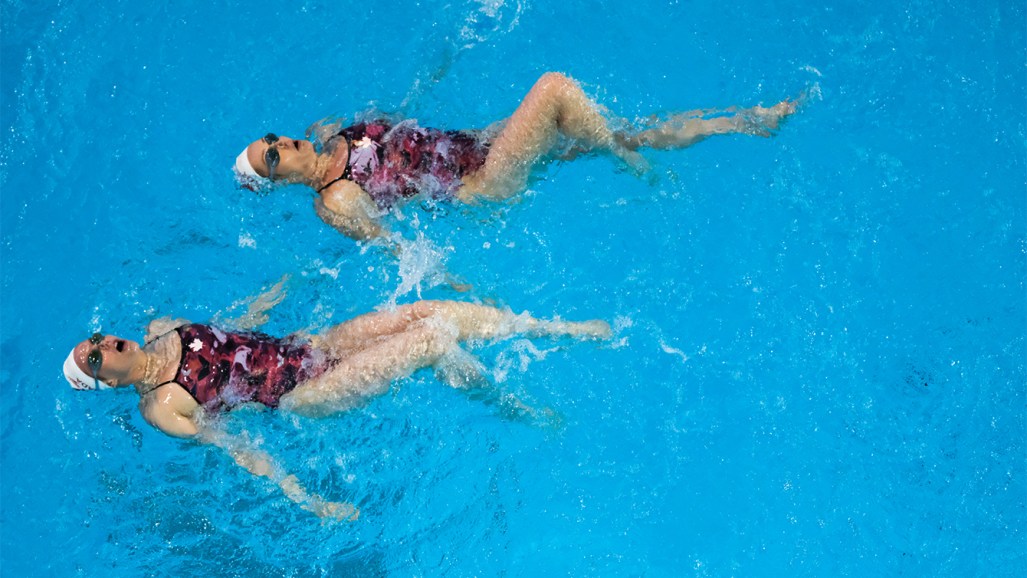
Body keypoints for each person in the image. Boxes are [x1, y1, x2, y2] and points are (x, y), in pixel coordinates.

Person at [63, 296, 610, 521]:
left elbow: (229, 331)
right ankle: (515, 409)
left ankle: (555, 329)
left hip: (312, 347)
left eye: (99, 339)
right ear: (104, 383)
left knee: (428, 310)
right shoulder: (163, 408)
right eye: (95, 358)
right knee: (429, 341)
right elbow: (236, 448)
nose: (105, 344)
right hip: (304, 396)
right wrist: (305, 497)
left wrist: (266, 301)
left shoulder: (160, 329)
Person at [234, 72, 800, 244]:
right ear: (279, 183)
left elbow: (400, 125)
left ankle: (744, 121)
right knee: (555, 91)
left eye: (272, 141)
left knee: (622, 129)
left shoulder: (329, 133)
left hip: (476, 145)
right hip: (481, 181)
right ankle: (631, 166)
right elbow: (399, 249)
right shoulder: (335, 201)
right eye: (273, 161)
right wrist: (462, 291)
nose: (283, 146)